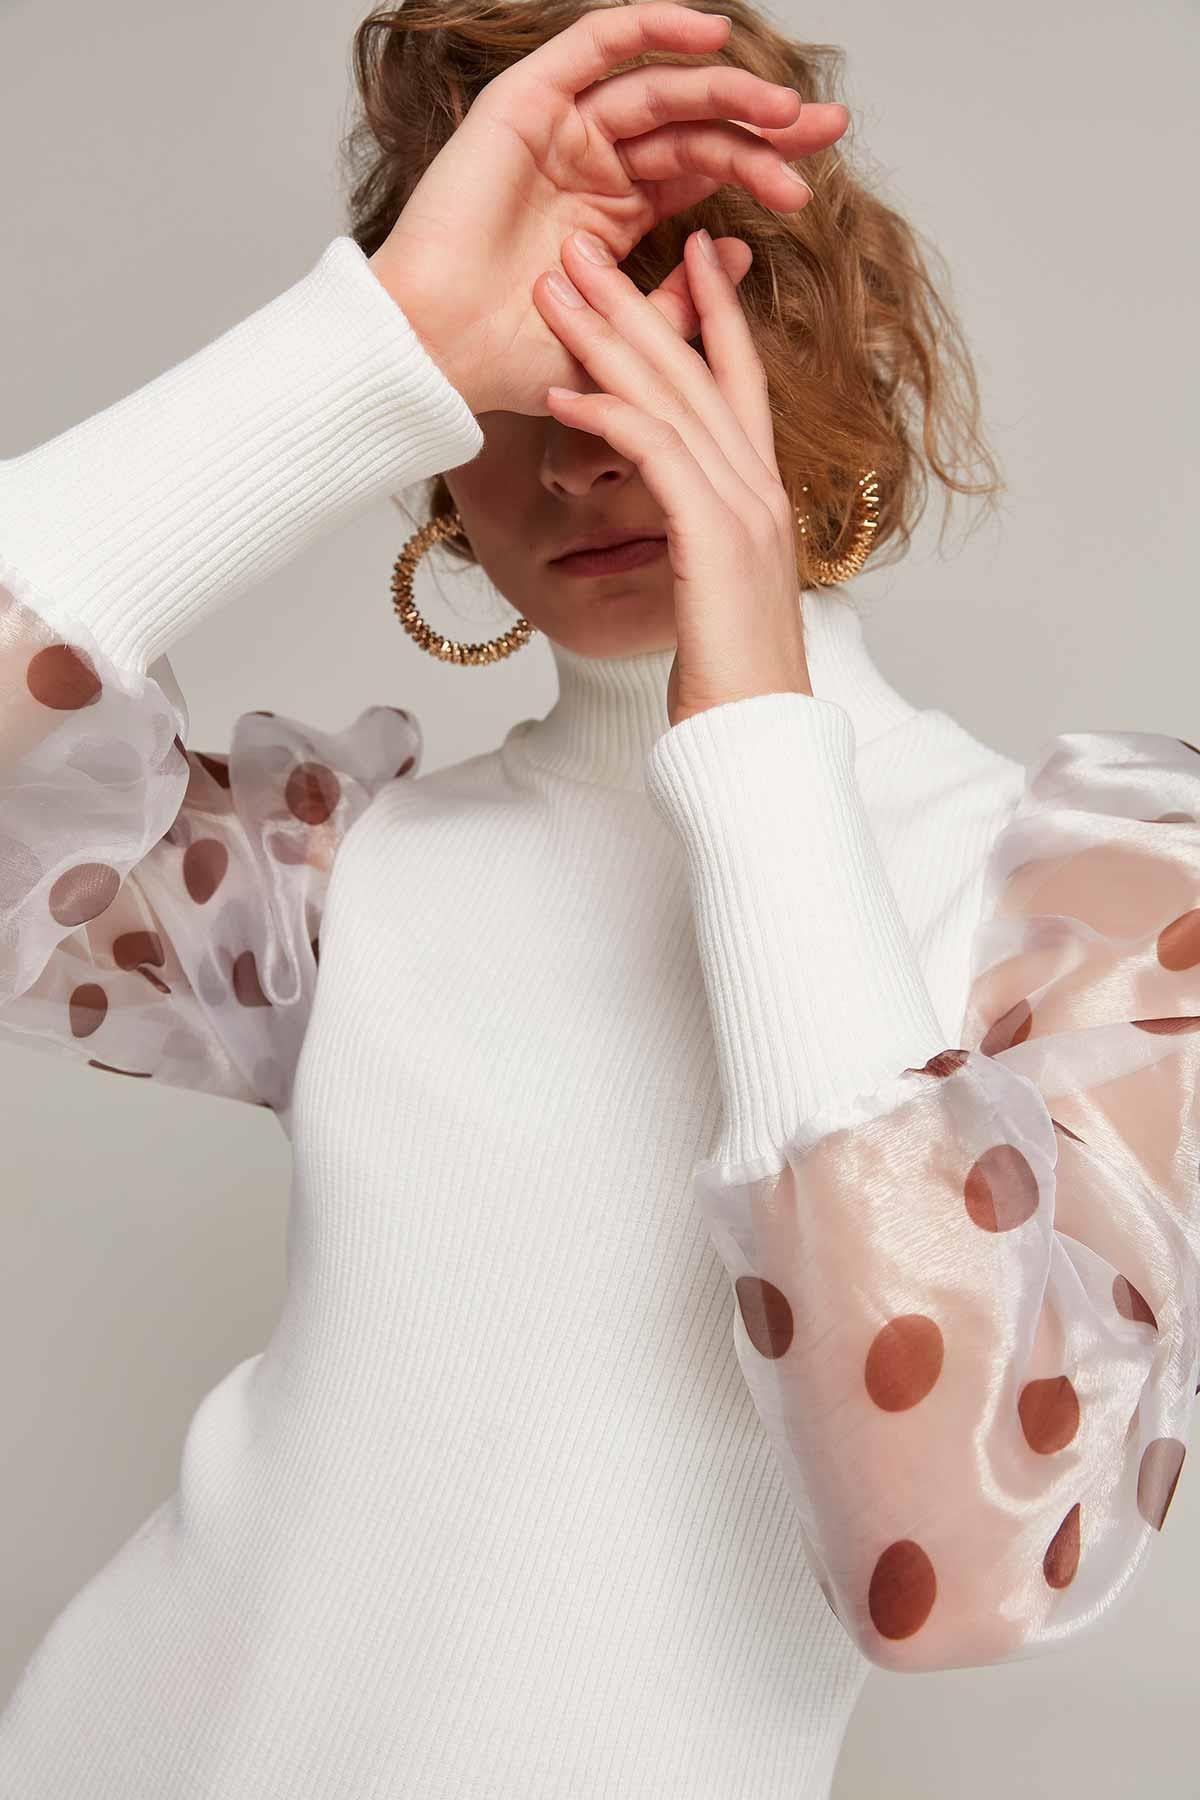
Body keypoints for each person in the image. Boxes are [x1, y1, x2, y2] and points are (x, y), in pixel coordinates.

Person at [1, 0, 1197, 1793]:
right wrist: (360, 350)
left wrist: (755, 739)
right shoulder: (337, 878)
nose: (581, 450)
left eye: (662, 339)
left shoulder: (1102, 892)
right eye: (518, 379)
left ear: (833, 375)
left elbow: (953, 1564)